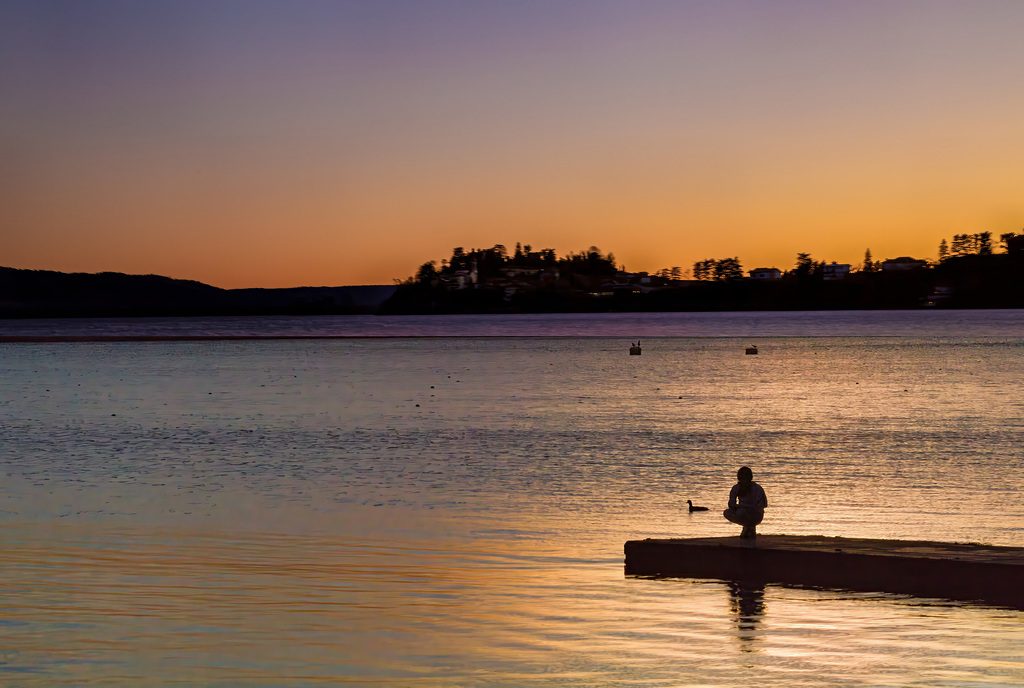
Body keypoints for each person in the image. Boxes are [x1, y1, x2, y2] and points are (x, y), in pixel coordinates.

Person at [723, 466, 767, 539]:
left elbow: (731, 505)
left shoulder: (756, 488)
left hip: (751, 515)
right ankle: (749, 528)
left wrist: (741, 507)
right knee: (728, 512)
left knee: (730, 512)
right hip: (750, 515)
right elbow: (763, 505)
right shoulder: (737, 488)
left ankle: (747, 527)